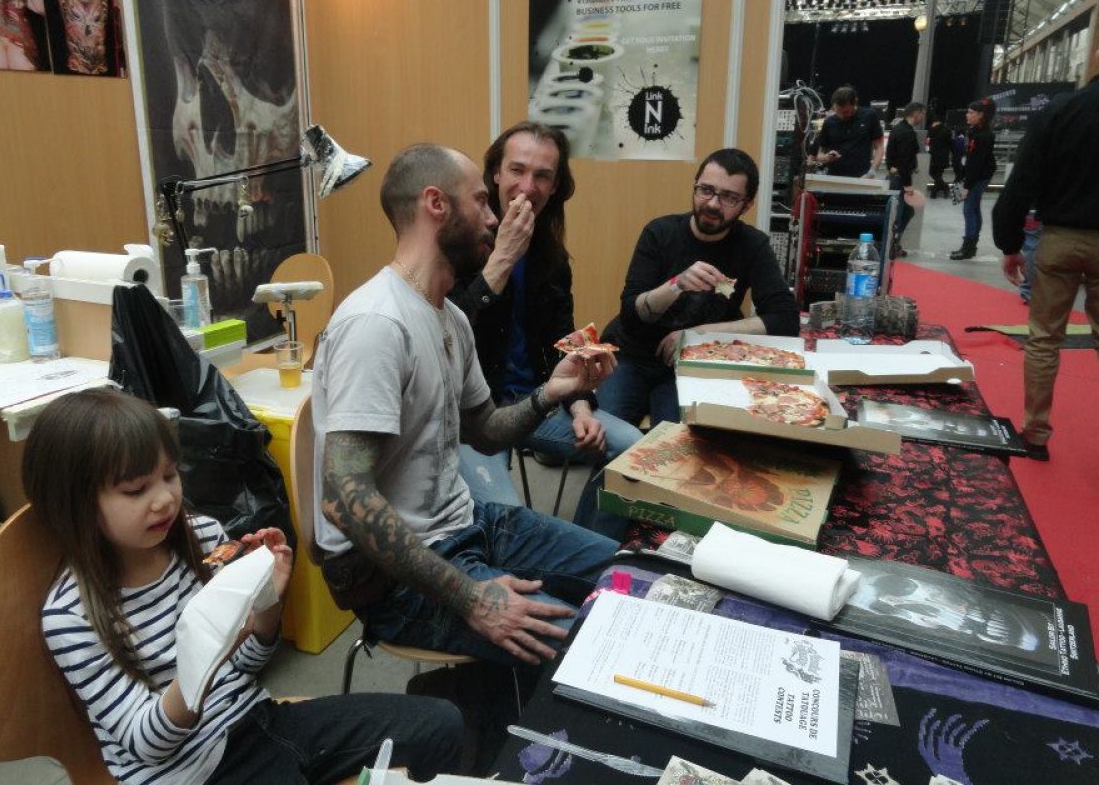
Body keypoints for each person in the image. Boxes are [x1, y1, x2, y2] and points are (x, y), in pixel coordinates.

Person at [26, 388, 463, 784]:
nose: (164, 499)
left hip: (261, 723)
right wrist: (207, 650)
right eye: (136, 489)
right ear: (77, 504)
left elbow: (247, 666)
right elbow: (148, 744)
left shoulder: (202, 538)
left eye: (170, 475)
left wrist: (266, 603)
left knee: (440, 724)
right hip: (192, 772)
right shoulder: (70, 616)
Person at [312, 143, 618, 667]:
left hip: (466, 523)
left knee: (627, 573)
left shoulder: (450, 317)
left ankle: (468, 693)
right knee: (589, 653)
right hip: (393, 578)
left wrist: (552, 392)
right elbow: (343, 497)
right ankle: (468, 699)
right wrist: (470, 597)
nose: (494, 217)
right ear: (436, 204)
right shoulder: (376, 323)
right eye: (480, 200)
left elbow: (486, 432)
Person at [448, 121, 642, 537]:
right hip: (473, 415)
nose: (527, 186)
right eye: (517, 170)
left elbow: (565, 342)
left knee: (634, 452)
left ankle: (590, 551)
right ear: (495, 173)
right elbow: (445, 334)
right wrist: (500, 259)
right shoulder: (460, 243)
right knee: (508, 526)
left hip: (539, 402)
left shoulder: (550, 256)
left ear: (555, 187)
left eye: (542, 176)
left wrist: (582, 407)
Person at [596, 148, 800, 427]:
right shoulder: (660, 233)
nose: (713, 204)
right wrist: (676, 284)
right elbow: (631, 313)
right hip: (632, 355)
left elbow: (785, 321)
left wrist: (698, 334)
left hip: (694, 363)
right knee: (604, 434)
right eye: (706, 190)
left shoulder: (753, 245)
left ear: (747, 205)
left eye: (729, 197)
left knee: (677, 439)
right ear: (695, 186)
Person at [991, 49, 1099, 462]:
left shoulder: (1060, 111)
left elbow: (1023, 180)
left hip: (1060, 238)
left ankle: (1035, 433)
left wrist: (1010, 244)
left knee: (1044, 339)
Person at [951, 98, 997, 260]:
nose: (967, 115)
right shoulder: (975, 131)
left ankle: (968, 247)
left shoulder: (984, 135)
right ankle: (971, 246)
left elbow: (977, 163)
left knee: (969, 210)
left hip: (979, 176)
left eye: (971, 112)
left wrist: (967, 186)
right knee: (974, 209)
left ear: (981, 115)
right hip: (976, 174)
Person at [809, 85, 884, 178]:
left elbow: (879, 148)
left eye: (845, 112)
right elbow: (819, 154)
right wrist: (827, 157)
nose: (841, 116)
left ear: (855, 102)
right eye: (837, 111)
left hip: (862, 177)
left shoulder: (869, 116)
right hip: (833, 177)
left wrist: (871, 173)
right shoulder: (829, 122)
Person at [885, 100, 925, 255]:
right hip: (901, 179)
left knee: (904, 212)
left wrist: (892, 168)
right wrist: (908, 185)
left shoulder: (897, 129)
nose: (923, 117)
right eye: (922, 114)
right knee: (900, 214)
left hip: (894, 176)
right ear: (916, 113)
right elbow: (904, 161)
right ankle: (892, 247)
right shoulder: (907, 133)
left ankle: (894, 244)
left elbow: (891, 156)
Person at [926, 116, 952, 199]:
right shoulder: (947, 130)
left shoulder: (933, 130)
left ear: (936, 122)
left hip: (934, 156)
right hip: (944, 156)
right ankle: (935, 192)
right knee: (939, 174)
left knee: (932, 172)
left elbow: (929, 140)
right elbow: (949, 142)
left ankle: (945, 187)